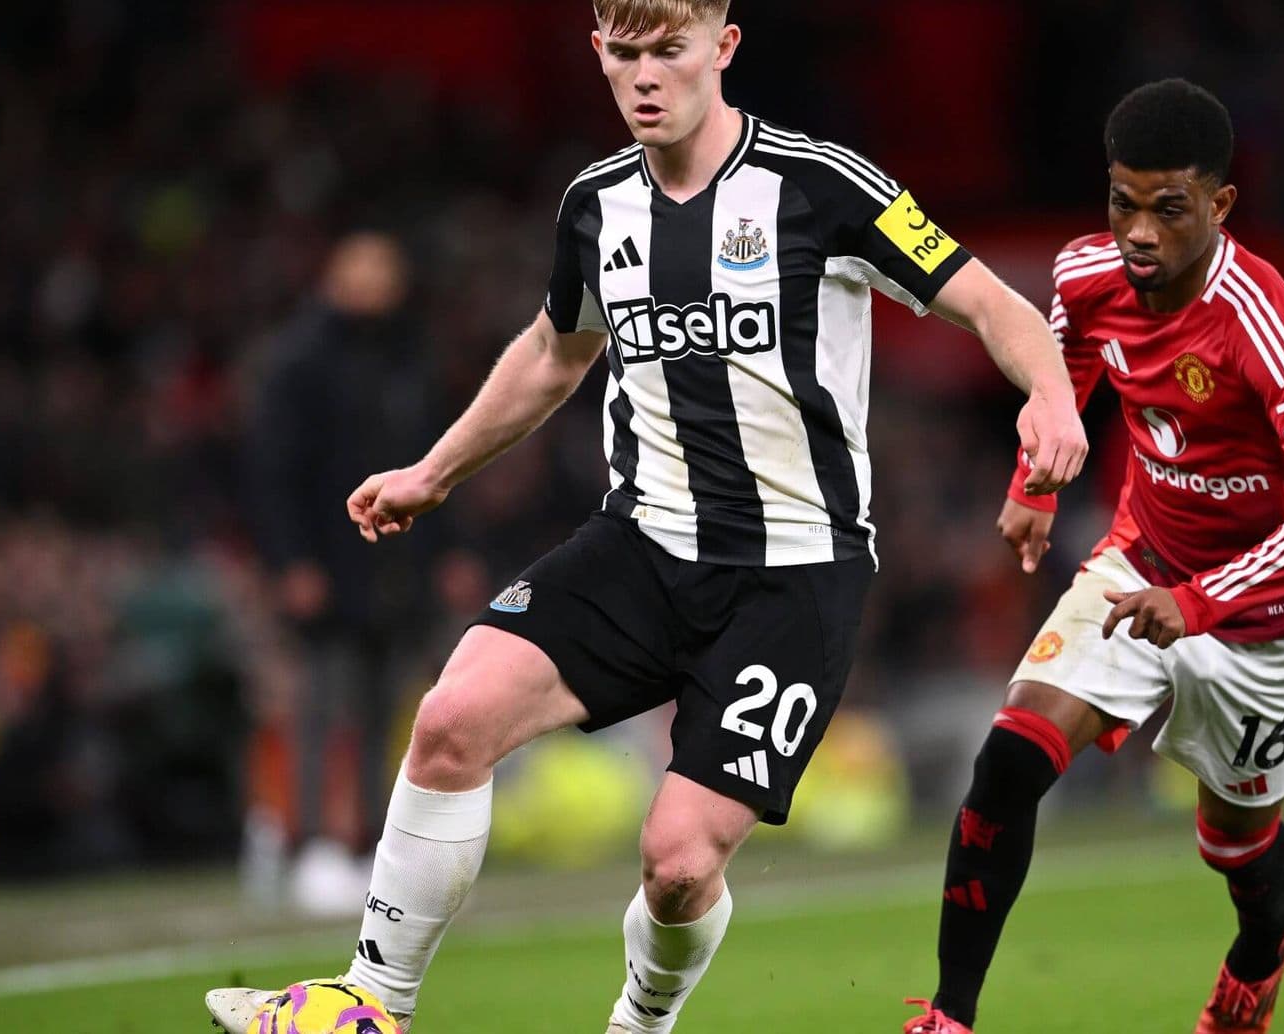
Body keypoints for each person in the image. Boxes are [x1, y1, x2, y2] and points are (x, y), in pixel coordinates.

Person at [207, 2, 1089, 1031]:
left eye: (668, 50)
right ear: (597, 54)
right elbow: (554, 352)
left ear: (723, 47)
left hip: (792, 577)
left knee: (675, 864)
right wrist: (433, 471)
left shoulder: (819, 184)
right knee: (449, 720)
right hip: (641, 543)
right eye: (623, 55)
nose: (644, 77)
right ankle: (370, 1002)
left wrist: (1051, 394)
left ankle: (642, 1018)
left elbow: (990, 301)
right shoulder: (595, 203)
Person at [902, 79, 1284, 1034]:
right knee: (1006, 766)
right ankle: (951, 1017)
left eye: (1169, 209)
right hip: (1139, 563)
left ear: (1219, 204)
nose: (1141, 233)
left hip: (1265, 624)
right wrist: (1038, 480)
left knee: (1236, 846)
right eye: (1124, 203)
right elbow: (1066, 354)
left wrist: (1203, 603)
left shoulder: (1266, 323)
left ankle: (1258, 956)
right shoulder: (1087, 274)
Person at [247, 232, 446, 913]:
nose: (372, 281)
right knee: (319, 713)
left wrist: (448, 552)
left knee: (387, 714)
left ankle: (367, 850)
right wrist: (291, 559)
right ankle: (307, 846)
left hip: (398, 568)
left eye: (383, 268)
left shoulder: (412, 357)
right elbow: (274, 470)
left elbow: (441, 461)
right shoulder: (300, 359)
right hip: (329, 565)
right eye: (359, 268)